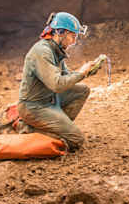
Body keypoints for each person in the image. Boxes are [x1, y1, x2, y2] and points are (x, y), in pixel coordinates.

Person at [17, 12, 103, 150]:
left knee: (82, 90)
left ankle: (57, 127)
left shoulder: (55, 49)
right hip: (34, 107)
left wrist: (86, 72)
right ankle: (29, 129)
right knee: (76, 140)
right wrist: (81, 72)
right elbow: (57, 84)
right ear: (60, 32)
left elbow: (66, 76)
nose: (74, 41)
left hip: (49, 99)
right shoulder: (42, 51)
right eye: (72, 36)